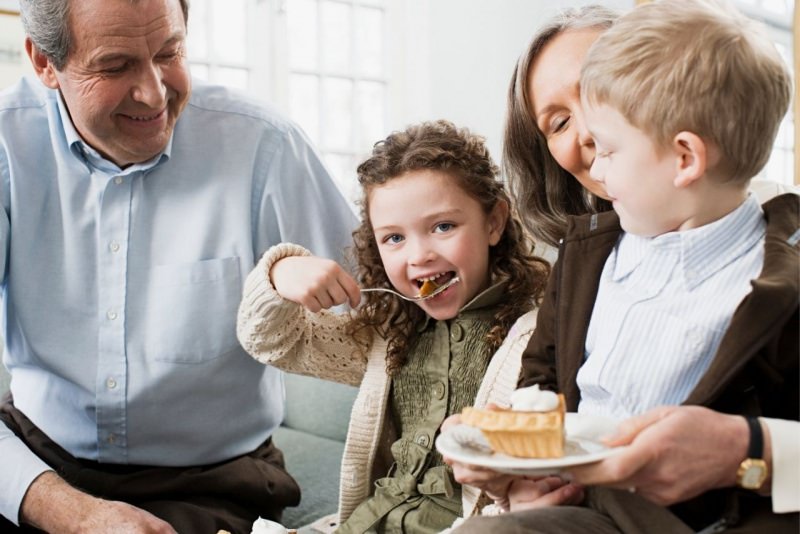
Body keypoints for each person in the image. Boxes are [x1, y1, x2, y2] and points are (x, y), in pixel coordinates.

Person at [0, 0, 357, 532]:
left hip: (212, 478)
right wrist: (67, 512)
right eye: (115, 66)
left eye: (169, 52)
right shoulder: (8, 146)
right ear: (45, 63)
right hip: (38, 455)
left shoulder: (265, 147)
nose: (153, 91)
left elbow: (384, 321)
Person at [452, 0, 798, 532]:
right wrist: (514, 461)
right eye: (561, 121)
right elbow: (542, 387)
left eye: (600, 100)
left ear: (685, 156)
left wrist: (748, 452)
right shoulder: (585, 253)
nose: (589, 136)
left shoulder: (781, 274)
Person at [236, 120, 556, 533]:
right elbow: (269, 343)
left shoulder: (536, 336)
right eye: (393, 238)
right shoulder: (388, 335)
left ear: (493, 222)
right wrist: (280, 273)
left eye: (443, 227)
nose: (419, 256)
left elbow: (531, 488)